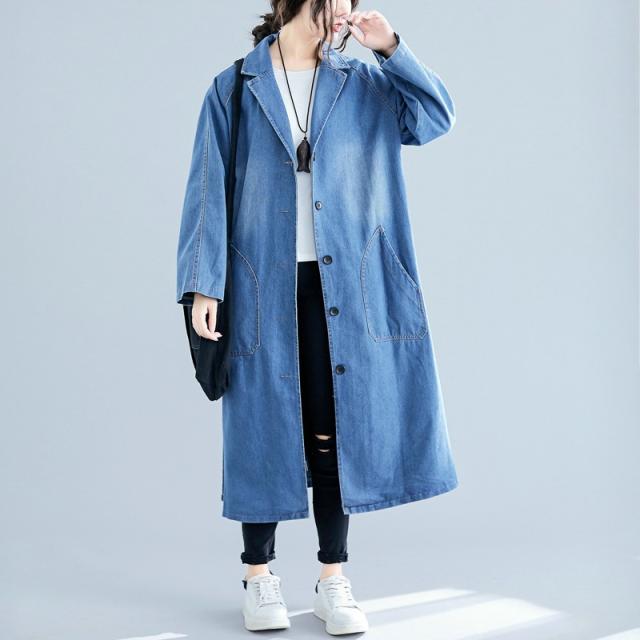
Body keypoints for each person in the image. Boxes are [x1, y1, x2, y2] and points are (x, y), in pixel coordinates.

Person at [176, 0, 459, 634]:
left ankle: (334, 579)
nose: (345, 10)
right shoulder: (235, 87)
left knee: (338, 428)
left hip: (350, 285)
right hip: (262, 285)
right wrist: (202, 285)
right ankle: (258, 576)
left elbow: (435, 118)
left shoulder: (364, 82)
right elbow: (207, 187)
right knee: (262, 428)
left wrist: (391, 47)